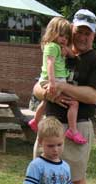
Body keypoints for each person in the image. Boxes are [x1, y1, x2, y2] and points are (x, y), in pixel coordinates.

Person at [33, 9, 96, 184]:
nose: (83, 37)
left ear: (94, 35)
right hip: (50, 123)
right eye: (79, 31)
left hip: (78, 127)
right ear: (71, 31)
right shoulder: (55, 51)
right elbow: (37, 87)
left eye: (88, 33)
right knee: (43, 175)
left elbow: (94, 95)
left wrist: (62, 86)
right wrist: (46, 92)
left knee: (75, 179)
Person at [29, 17, 85, 145]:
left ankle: (35, 121)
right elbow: (50, 64)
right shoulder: (52, 46)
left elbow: (72, 55)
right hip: (52, 80)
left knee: (46, 102)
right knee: (74, 104)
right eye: (61, 35)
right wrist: (53, 83)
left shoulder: (57, 47)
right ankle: (73, 130)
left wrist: (67, 51)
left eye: (66, 37)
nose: (64, 39)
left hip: (53, 80)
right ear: (52, 33)